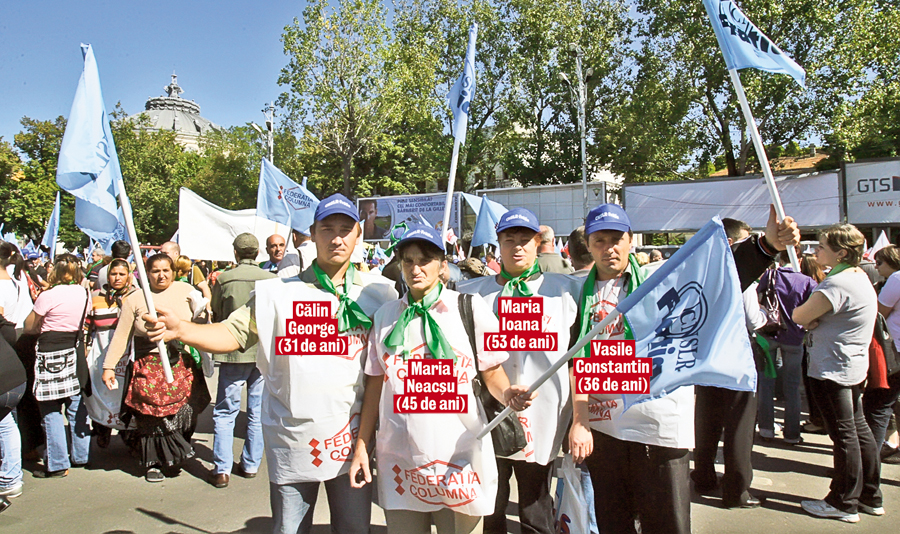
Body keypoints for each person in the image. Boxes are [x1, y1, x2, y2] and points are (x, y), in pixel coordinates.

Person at [144, 194, 398, 534]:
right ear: (312, 233)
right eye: (328, 229)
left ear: (357, 237)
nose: (337, 238)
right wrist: (183, 329)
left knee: (354, 529)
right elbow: (233, 333)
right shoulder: (277, 293)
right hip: (292, 440)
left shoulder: (381, 294)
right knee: (288, 529)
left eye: (345, 229)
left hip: (353, 441)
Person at [572, 204, 799, 533]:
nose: (609, 247)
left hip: (658, 427)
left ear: (631, 240)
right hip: (605, 428)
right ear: (589, 245)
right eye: (600, 240)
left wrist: (768, 245)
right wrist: (579, 421)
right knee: (613, 522)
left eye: (617, 239)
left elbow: (721, 270)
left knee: (667, 524)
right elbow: (573, 358)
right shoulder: (576, 290)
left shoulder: (659, 277)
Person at [348, 223, 534, 534]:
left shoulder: (471, 308)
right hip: (401, 463)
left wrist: (508, 394)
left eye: (425, 260)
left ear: (442, 265)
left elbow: (492, 371)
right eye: (408, 260)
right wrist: (362, 448)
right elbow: (375, 387)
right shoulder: (385, 317)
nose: (415, 268)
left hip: (459, 459)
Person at [458, 208, 582, 534]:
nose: (517, 247)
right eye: (508, 239)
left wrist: (579, 419)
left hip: (544, 418)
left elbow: (581, 355)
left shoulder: (566, 291)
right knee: (491, 506)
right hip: (488, 415)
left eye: (524, 239)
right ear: (497, 244)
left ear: (538, 243)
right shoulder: (471, 293)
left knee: (536, 507)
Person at [794, 224, 881, 522]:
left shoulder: (838, 283)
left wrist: (810, 319)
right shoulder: (859, 277)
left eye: (821, 246)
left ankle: (844, 501)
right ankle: (870, 494)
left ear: (841, 252)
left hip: (833, 367)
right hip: (850, 364)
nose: (815, 251)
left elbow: (799, 315)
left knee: (844, 435)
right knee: (857, 430)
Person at [101, 253, 211, 483]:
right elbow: (121, 336)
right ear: (146, 273)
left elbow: (202, 322)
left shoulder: (186, 291)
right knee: (150, 416)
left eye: (166, 270)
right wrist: (109, 367)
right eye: (155, 271)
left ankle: (174, 452)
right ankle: (153, 461)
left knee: (184, 413)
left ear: (173, 271)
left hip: (181, 363)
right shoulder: (135, 298)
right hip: (147, 365)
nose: (161, 275)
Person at [208, 233, 275, 489]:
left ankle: (222, 468)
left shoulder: (224, 279)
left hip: (233, 351)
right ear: (258, 253)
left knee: (226, 411)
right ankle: (250, 464)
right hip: (261, 353)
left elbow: (216, 310)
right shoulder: (271, 279)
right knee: (257, 412)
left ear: (235, 253)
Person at [23, 254, 92, 478]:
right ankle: (81, 455)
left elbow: (30, 326)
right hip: (74, 348)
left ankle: (58, 463)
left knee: (50, 408)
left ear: (55, 271)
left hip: (49, 350)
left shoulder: (48, 295)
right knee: (75, 402)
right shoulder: (83, 293)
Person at [756, 249, 817, 445]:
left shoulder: (770, 275)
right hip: (795, 337)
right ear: (798, 258)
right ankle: (792, 434)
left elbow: (758, 300)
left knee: (766, 383)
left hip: (770, 333)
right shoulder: (807, 282)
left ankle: (766, 429)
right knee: (792, 388)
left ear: (779, 259)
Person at [83, 259, 135, 448]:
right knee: (101, 393)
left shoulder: (134, 296)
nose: (117, 278)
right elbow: (87, 324)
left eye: (122, 274)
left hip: (125, 352)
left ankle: (128, 434)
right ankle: (102, 428)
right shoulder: (96, 296)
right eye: (114, 274)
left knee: (123, 394)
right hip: (100, 349)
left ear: (128, 276)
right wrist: (85, 347)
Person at [0, 242, 30, 498]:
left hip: (9, 346)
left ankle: (11, 473)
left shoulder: (3, 286)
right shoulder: (17, 279)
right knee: (7, 420)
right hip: (15, 347)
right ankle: (12, 473)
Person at [866, 245, 900, 457]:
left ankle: (868, 465)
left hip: (894, 351)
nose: (876, 267)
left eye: (880, 263)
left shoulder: (896, 279)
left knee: (877, 406)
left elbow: (878, 314)